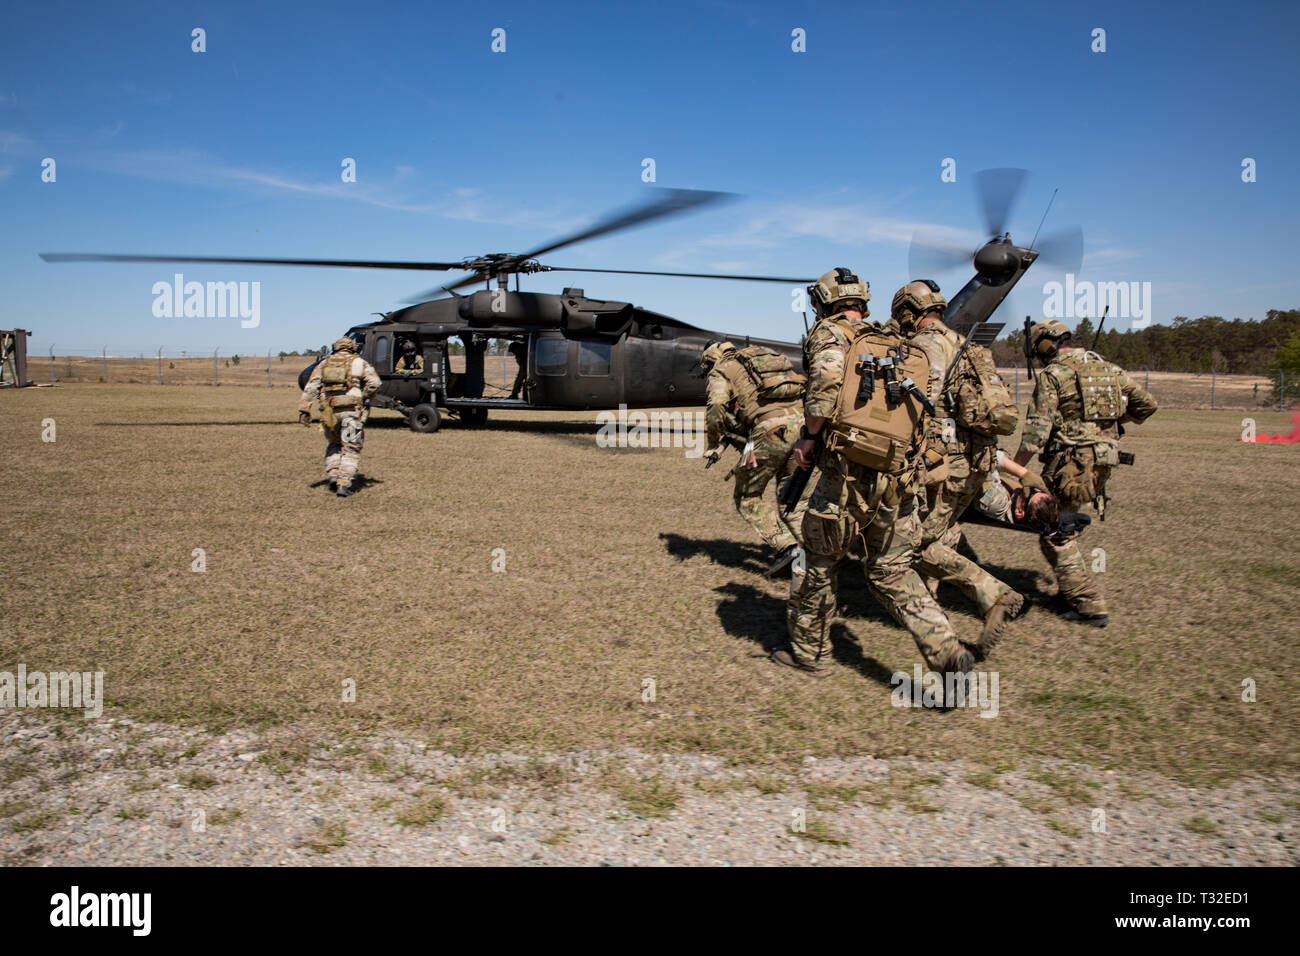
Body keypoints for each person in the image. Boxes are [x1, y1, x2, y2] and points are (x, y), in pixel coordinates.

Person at [772, 268, 975, 678]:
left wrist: (808, 438)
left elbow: (826, 385)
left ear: (824, 303)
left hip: (845, 478)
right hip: (896, 476)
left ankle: (809, 654)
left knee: (817, 562)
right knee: (892, 568)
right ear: (861, 302)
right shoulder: (896, 340)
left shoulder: (832, 334)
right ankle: (946, 649)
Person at [892, 280, 1026, 657]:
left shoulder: (927, 346)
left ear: (908, 312)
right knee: (939, 533)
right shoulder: (967, 344)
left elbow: (919, 404)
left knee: (910, 543)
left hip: (944, 466)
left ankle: (993, 595)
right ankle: (937, 605)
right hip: (977, 464)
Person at [1013, 320, 1159, 625]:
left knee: (1054, 531)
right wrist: (1108, 424)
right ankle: (1069, 594)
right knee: (1060, 525)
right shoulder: (1109, 369)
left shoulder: (1054, 374)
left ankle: (1089, 604)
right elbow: (1147, 405)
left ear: (1044, 346)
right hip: (1103, 461)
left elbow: (1036, 434)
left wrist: (1017, 470)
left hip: (1070, 464)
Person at [701, 340, 808, 576]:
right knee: (792, 496)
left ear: (710, 360)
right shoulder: (754, 361)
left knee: (747, 496)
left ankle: (788, 547)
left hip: (771, 430)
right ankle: (813, 553)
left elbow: (717, 407)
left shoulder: (721, 370)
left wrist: (711, 444)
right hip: (801, 425)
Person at [298, 337, 381, 497]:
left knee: (334, 444)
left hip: (329, 411)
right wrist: (363, 397)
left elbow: (311, 386)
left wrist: (304, 408)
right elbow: (375, 383)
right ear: (352, 348)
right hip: (350, 410)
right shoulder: (360, 363)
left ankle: (333, 476)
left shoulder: (324, 363)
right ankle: (343, 484)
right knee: (351, 447)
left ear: (335, 348)